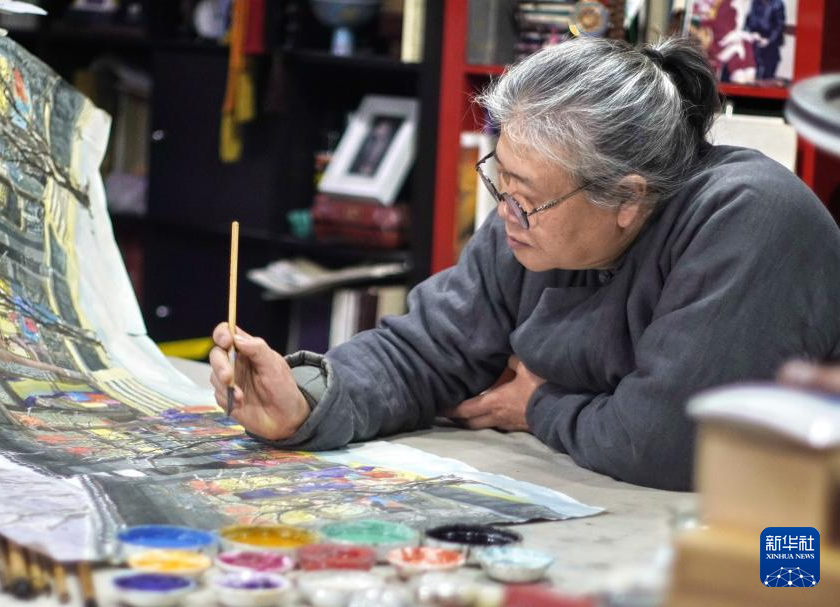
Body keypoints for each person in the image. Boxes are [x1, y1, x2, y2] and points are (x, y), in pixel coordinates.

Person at [209, 37, 840, 491]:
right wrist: (306, 400)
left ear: (627, 198)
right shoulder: (534, 217)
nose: (505, 210)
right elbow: (426, 351)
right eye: (501, 179)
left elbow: (669, 443)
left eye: (526, 195)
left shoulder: (750, 216)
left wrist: (537, 405)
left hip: (793, 531)